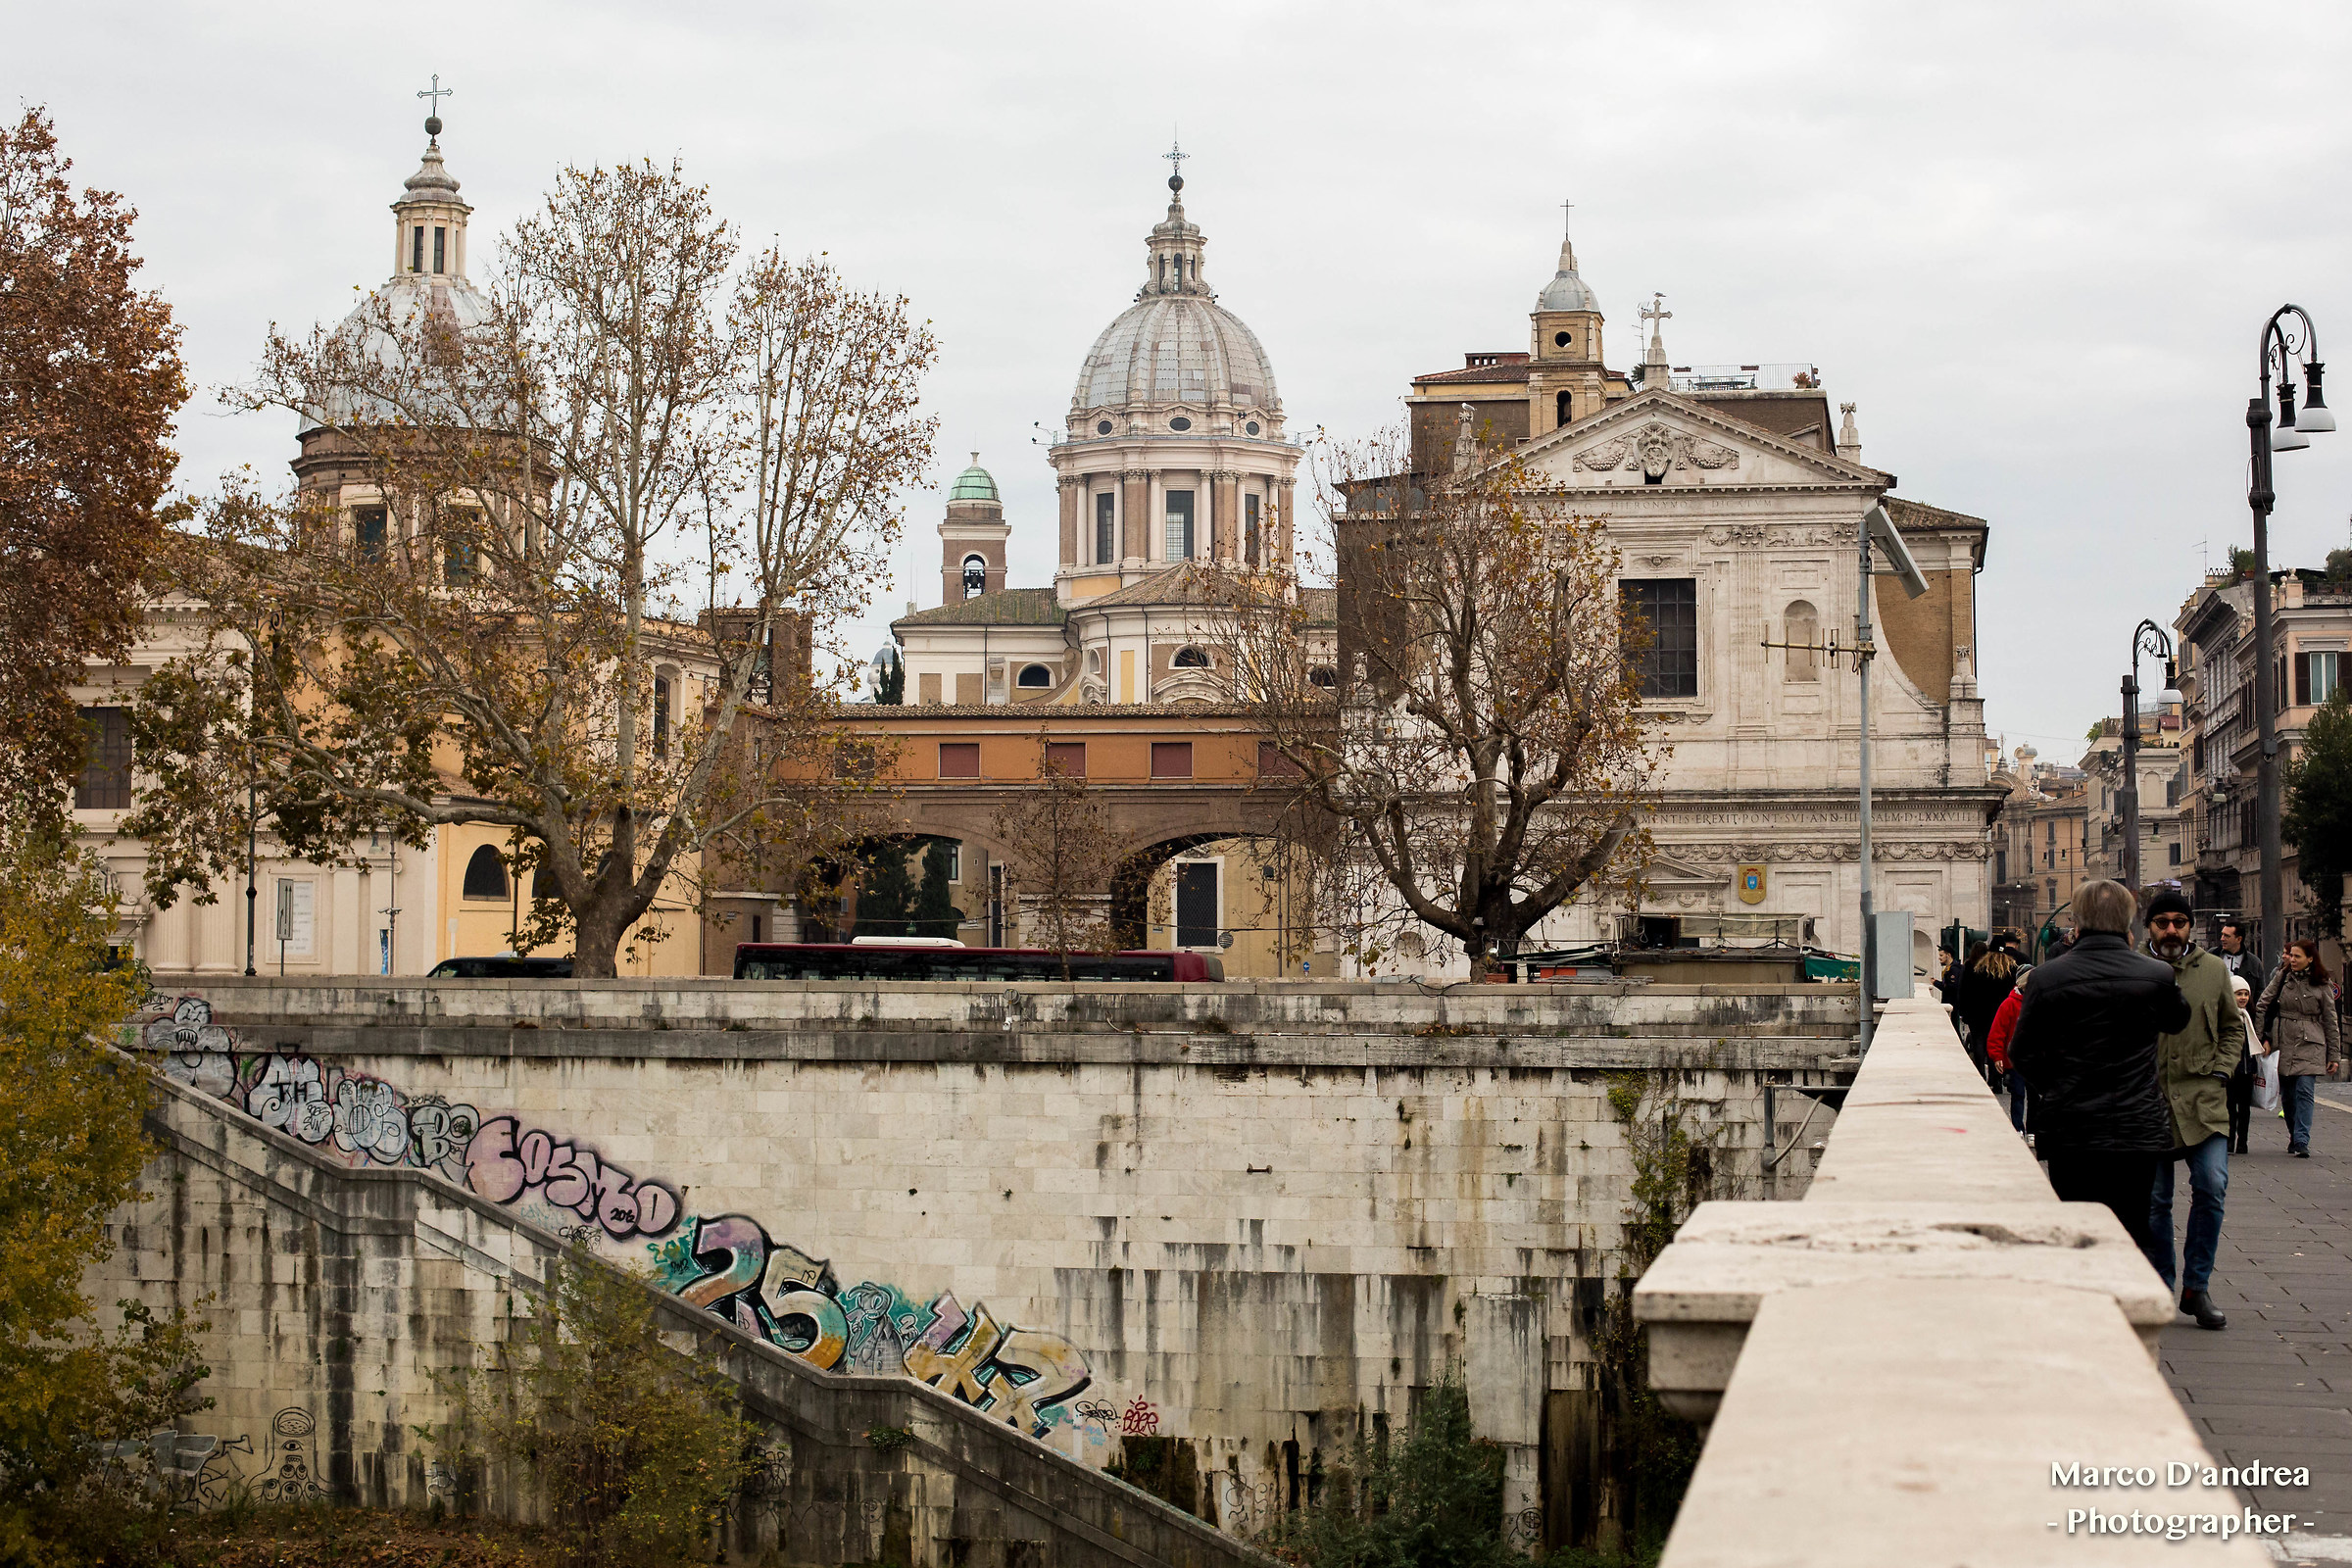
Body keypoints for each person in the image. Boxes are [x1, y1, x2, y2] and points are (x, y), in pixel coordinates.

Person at [2008, 880, 2188, 1267]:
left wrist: (2057, 1087)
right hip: (2137, 1124)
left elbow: (2021, 1052)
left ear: (2076, 921)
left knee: (2076, 1228)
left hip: (2071, 1126)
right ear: (2129, 922)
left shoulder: (2046, 977)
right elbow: (2178, 1021)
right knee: (2132, 1229)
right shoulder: (2156, 975)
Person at [2142, 889, 2242, 1332]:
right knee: (2154, 1202)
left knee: (2212, 1185)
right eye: (2161, 922)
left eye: (2178, 922)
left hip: (2204, 1100)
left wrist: (2221, 1071)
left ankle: (2196, 1287)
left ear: (2190, 926)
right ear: (2149, 927)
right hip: (2151, 1102)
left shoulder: (2214, 970)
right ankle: (2162, 1285)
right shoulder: (2136, 970)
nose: (2170, 930)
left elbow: (2231, 1028)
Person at [2253, 939, 2342, 1158]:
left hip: (2312, 1041)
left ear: (2310, 959)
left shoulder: (2322, 983)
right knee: (2289, 1095)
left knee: (2305, 1090)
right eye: (2290, 956)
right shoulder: (2282, 977)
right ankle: (2294, 1134)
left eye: (2297, 956)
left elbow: (2331, 1020)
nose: (2291, 960)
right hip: (2284, 1039)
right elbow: (2262, 1004)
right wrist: (2261, 1038)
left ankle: (2302, 1139)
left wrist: (2334, 1055)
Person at [1984, 964, 2034, 1136]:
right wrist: (1997, 1056)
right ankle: (2018, 1127)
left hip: (2034, 1059)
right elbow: (1998, 1032)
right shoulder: (2009, 1004)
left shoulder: (2037, 1001)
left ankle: (2032, 1130)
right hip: (2016, 1060)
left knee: (2034, 1097)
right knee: (2018, 1095)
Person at [1961, 943, 2020, 1086]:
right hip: (1999, 1011)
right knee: (1996, 1043)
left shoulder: (1980, 967)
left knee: (1979, 1042)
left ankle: (1981, 1074)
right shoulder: (2010, 967)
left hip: (1978, 1012)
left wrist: (1965, 1012)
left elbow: (1967, 990)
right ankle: (1997, 1078)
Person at [2229, 972, 2259, 1155]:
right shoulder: (2227, 1016)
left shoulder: (2251, 1016)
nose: (2243, 998)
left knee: (2245, 1109)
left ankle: (2243, 1142)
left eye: (2246, 994)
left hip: (2248, 1069)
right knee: (2229, 1108)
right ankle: (2229, 1140)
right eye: (2239, 994)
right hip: (2231, 1070)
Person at [2216, 919, 2266, 1000]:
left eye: (2226, 936)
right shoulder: (2212, 955)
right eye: (2222, 935)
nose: (2222, 939)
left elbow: (2260, 991)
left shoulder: (2254, 962)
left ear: (2239, 939)